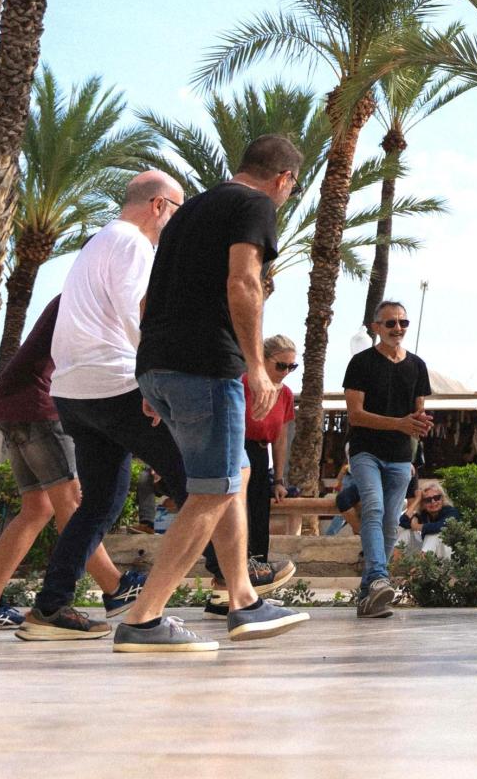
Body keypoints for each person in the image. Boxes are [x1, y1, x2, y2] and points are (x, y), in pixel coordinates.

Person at [16, 170, 259, 642]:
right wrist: (150, 379)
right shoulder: (133, 244)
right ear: (159, 206)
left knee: (101, 503)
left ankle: (50, 607)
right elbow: (138, 311)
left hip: (75, 391)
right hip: (116, 383)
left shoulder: (97, 243)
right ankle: (231, 581)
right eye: (178, 210)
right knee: (206, 481)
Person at [117, 136, 311, 652]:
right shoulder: (254, 204)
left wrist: (153, 372)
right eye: (292, 188)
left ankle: (243, 598)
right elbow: (243, 282)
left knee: (234, 474)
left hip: (162, 365)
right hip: (206, 367)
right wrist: (256, 366)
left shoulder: (191, 208)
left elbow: (147, 298)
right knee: (215, 488)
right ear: (284, 180)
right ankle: (143, 618)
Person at [0, 297, 142, 630]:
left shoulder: (73, 296)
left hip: (11, 404)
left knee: (37, 508)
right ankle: (116, 588)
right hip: (37, 405)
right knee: (71, 505)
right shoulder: (86, 299)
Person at [344, 300, 433, 619]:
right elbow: (355, 415)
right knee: (373, 506)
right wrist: (399, 423)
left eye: (403, 323)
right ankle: (380, 577)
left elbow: (417, 412)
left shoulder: (417, 365)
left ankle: (371, 593)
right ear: (376, 327)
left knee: (389, 521)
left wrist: (421, 424)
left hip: (399, 456)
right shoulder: (361, 363)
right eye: (391, 323)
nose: (398, 328)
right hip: (366, 450)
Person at [202, 333, 299, 616]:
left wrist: (278, 478)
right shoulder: (243, 383)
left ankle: (255, 590)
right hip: (236, 446)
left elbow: (280, 436)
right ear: (263, 360)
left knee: (258, 521)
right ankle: (226, 588)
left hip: (259, 453)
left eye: (292, 368)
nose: (285, 373)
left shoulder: (285, 394)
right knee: (234, 518)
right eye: (281, 366)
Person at [398, 482, 460, 558]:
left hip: (449, 555)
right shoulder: (424, 514)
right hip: (430, 552)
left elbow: (440, 527)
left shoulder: (451, 511)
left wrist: (417, 526)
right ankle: (393, 566)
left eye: (436, 498)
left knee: (432, 535)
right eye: (428, 500)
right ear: (423, 503)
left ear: (442, 498)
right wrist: (417, 500)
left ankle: (421, 568)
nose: (433, 502)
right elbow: (402, 522)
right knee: (406, 533)